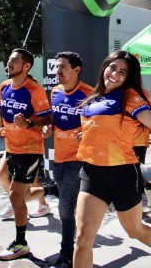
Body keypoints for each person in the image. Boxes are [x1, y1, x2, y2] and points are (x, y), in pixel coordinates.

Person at [73, 50, 151, 268]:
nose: (115, 74)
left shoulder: (129, 97)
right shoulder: (93, 96)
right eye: (112, 67)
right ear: (105, 67)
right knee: (82, 240)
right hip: (92, 174)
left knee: (134, 231)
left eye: (122, 72)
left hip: (123, 176)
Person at [0, 48, 53, 261]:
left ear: (26, 66)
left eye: (14, 61)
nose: (9, 64)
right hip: (11, 146)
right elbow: (0, 109)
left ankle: (21, 243)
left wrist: (28, 123)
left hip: (29, 149)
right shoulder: (4, 86)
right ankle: (43, 193)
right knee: (2, 176)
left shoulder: (35, 90)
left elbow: (47, 118)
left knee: (16, 195)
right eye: (9, 60)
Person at [41, 51, 93, 268]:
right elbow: (55, 118)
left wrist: (87, 131)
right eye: (57, 67)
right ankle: (80, 244)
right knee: (69, 209)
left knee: (64, 208)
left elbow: (98, 123)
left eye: (63, 67)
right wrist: (48, 127)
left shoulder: (89, 94)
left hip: (78, 160)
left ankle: (67, 253)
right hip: (59, 158)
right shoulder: (55, 91)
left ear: (76, 70)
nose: (58, 71)